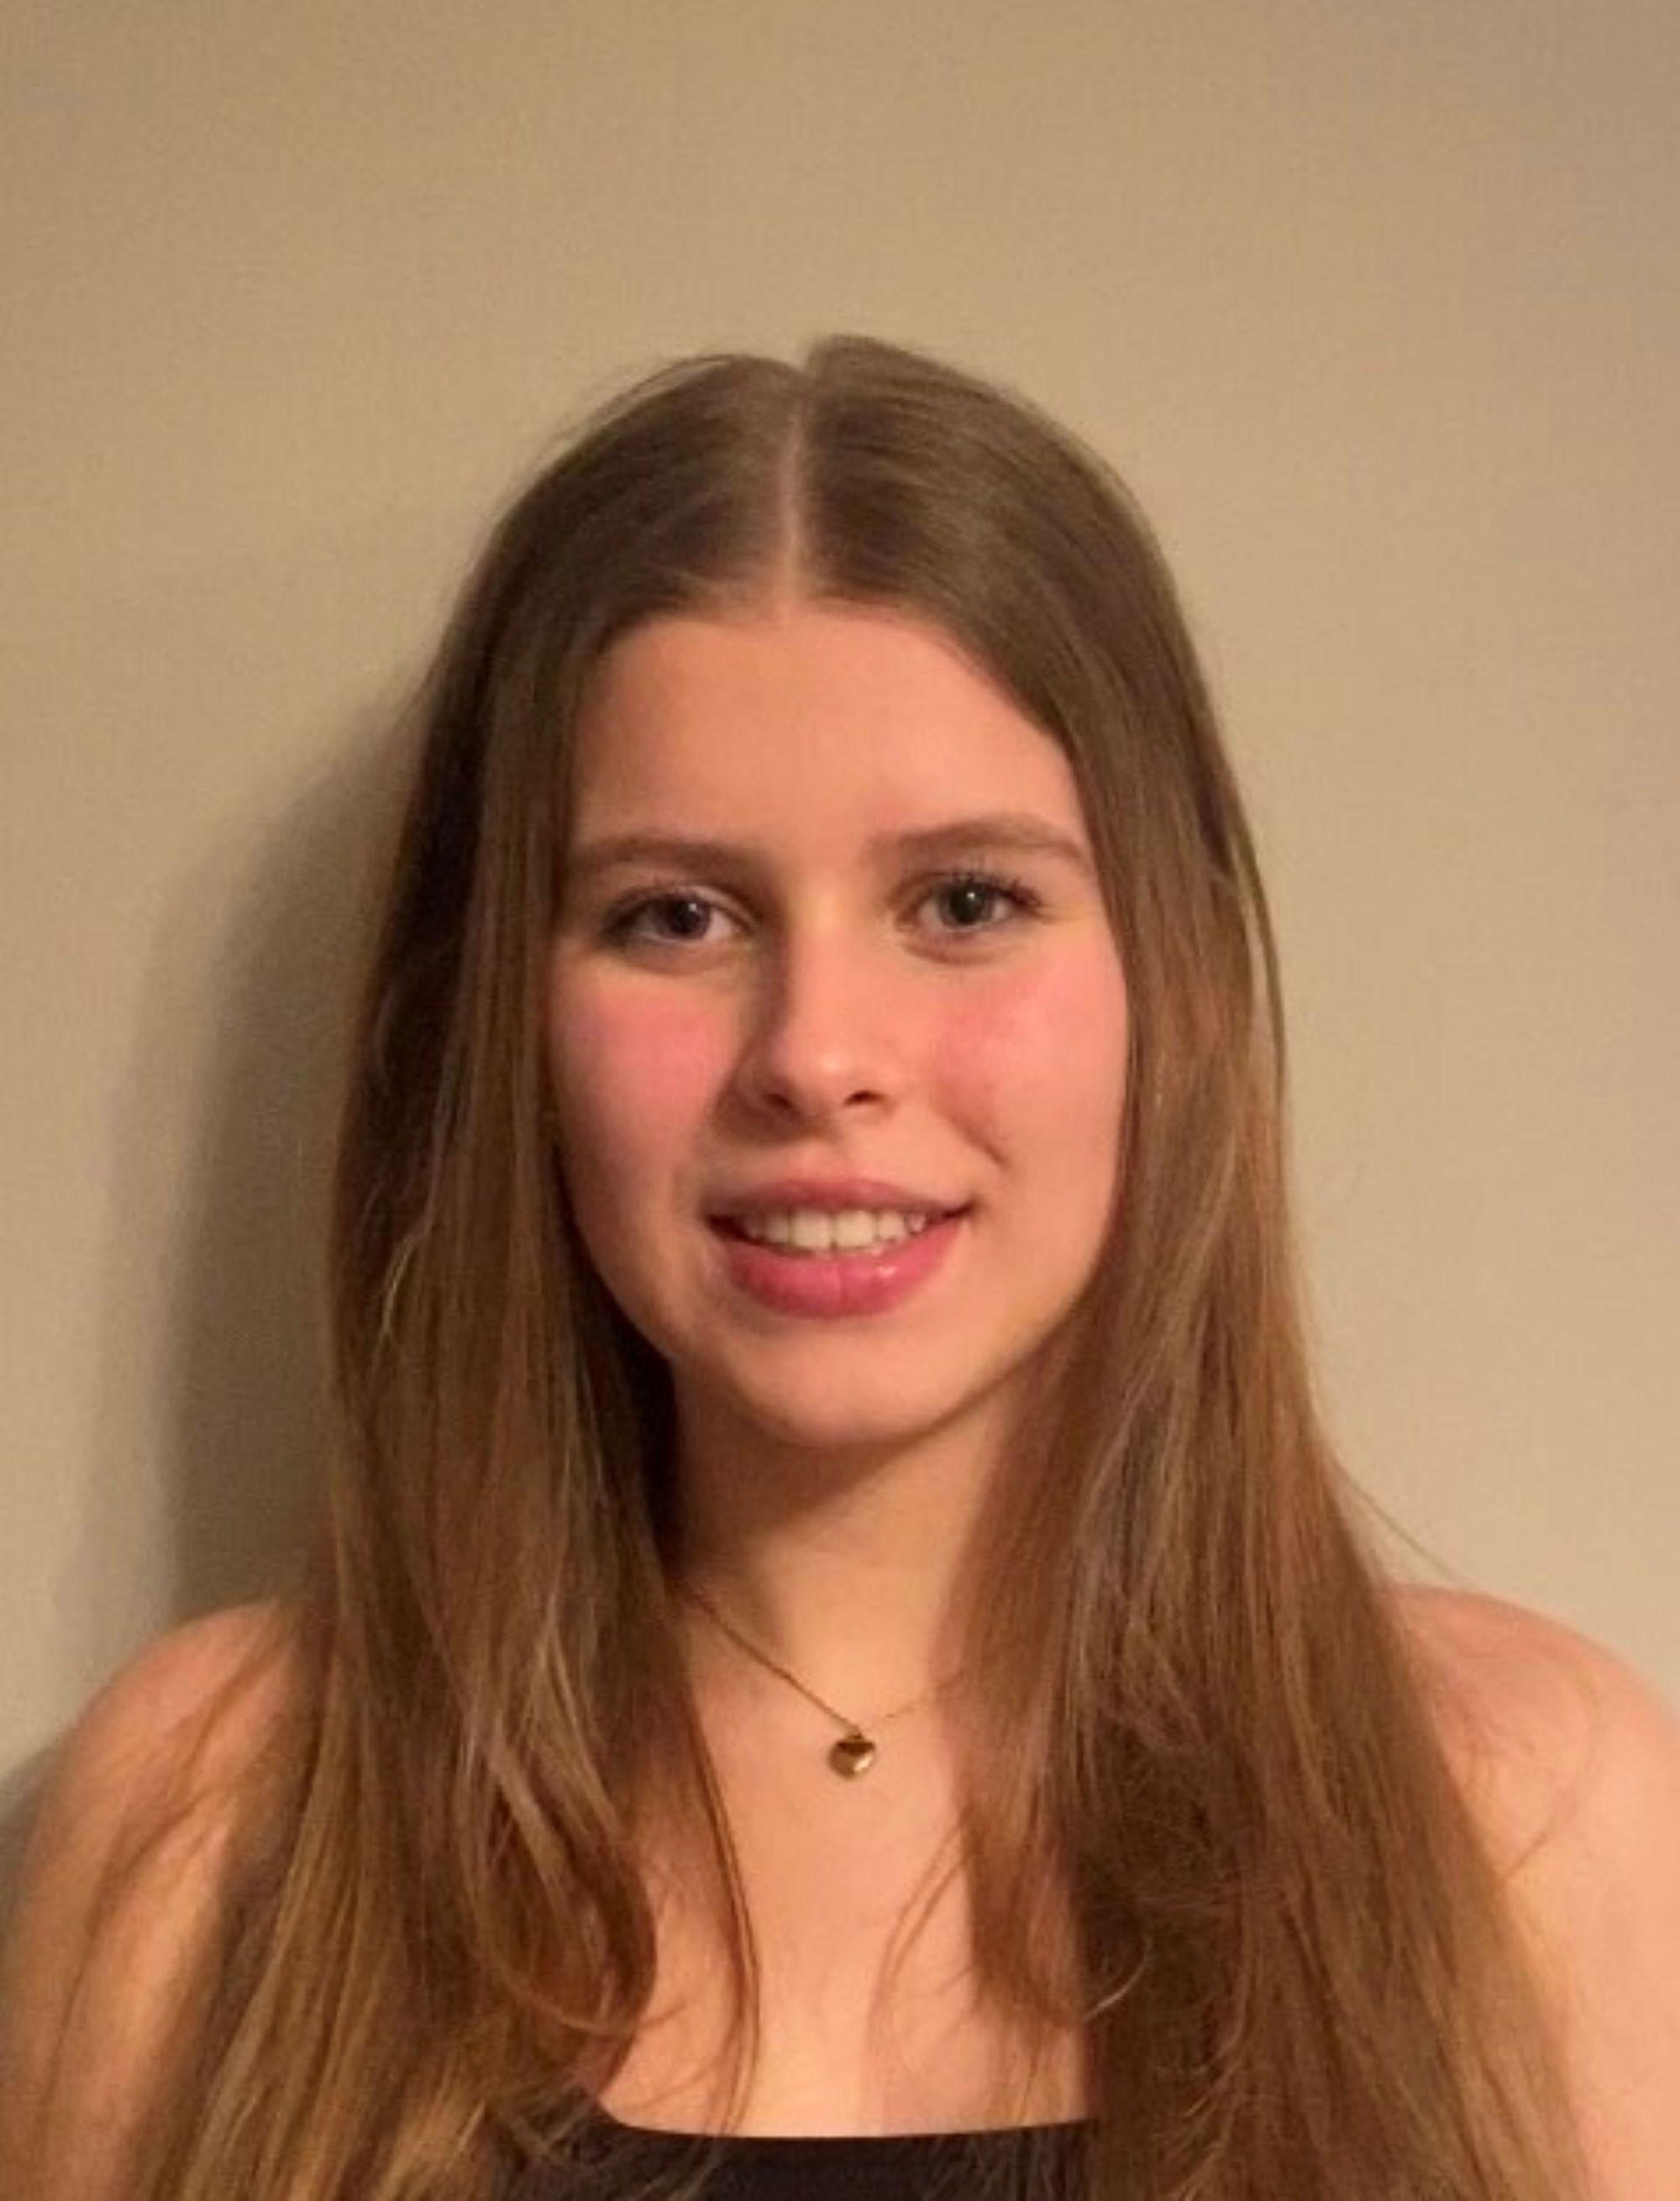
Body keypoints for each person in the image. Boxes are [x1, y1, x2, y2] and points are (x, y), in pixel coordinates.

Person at [1, 336, 1676, 2201]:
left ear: (1177, 981)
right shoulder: (219, 1817)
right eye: (675, 915)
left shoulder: (1520, 1815)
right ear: (504, 1021)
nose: (815, 1053)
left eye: (966, 901)